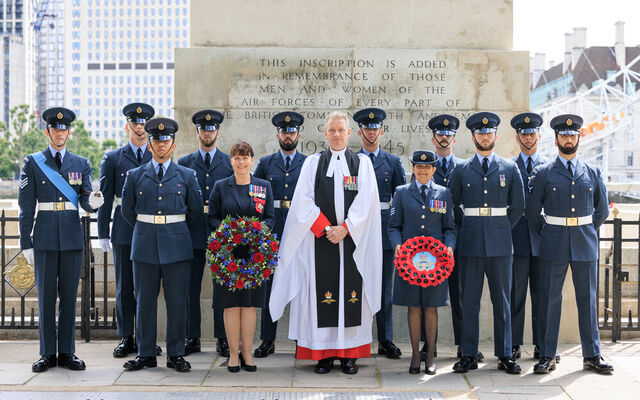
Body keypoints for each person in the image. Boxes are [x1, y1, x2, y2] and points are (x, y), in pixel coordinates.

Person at [269, 111, 382, 375]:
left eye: (341, 130)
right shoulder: (313, 163)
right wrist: (326, 228)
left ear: (349, 133)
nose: (337, 134)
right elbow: (303, 201)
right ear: (325, 133)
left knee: (352, 296)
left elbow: (367, 203)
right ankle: (323, 355)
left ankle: (349, 356)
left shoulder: (362, 164)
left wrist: (345, 229)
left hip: (352, 243)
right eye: (332, 130)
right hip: (320, 241)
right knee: (320, 294)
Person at [19, 107, 104, 372]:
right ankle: (46, 353)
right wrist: (25, 242)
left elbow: (85, 199)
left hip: (70, 237)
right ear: (48, 131)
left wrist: (93, 202)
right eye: (55, 128)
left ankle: (67, 352)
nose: (59, 132)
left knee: (69, 298)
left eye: (63, 128)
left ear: (69, 132)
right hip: (44, 237)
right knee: (46, 298)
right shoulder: (33, 162)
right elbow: (25, 207)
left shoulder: (81, 163)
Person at [526, 114, 613, 375]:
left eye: (572, 135)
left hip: (585, 242)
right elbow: (532, 213)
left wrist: (584, 228)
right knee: (550, 300)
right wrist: (553, 230)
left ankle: (592, 355)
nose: (568, 139)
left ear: (579, 138)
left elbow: (602, 211)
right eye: (564, 135)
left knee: (587, 300)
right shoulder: (543, 173)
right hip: (553, 241)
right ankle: (548, 355)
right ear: (556, 140)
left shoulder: (593, 172)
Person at [121, 118, 203, 372]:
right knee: (144, 301)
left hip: (177, 245)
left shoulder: (187, 175)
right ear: (149, 144)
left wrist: (174, 231)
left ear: (173, 145)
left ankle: (176, 353)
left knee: (178, 301)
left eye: (165, 140)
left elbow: (196, 213)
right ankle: (146, 353)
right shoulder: (134, 176)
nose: (160, 145)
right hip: (145, 244)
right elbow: (127, 211)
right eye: (156, 140)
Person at [448, 112, 524, 374]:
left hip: (501, 243)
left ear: (495, 135)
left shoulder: (509, 168)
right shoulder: (461, 170)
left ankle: (504, 354)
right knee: (469, 301)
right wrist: (468, 227)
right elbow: (452, 207)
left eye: (488, 132)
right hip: (470, 243)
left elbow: (518, 207)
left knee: (502, 300)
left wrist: (500, 227)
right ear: (472, 137)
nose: (484, 136)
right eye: (480, 133)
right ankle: (468, 354)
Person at [98, 102, 159, 358]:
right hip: (123, 227)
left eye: (143, 123)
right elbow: (105, 196)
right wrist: (102, 232)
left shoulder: (158, 154)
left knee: (147, 286)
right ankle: (126, 337)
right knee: (124, 285)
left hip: (149, 227)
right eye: (135, 123)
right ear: (127, 126)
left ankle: (146, 339)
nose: (140, 127)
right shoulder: (113, 158)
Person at [208, 142, 275, 372]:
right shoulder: (220, 186)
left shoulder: (263, 186)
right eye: (237, 158)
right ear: (231, 161)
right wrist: (232, 231)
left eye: (245, 158)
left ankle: (248, 352)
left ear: (252, 160)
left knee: (248, 305)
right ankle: (233, 354)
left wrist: (254, 231)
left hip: (254, 254)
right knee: (230, 305)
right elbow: (213, 218)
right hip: (228, 253)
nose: (241, 162)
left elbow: (270, 218)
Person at [388, 150, 456, 375]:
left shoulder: (444, 193)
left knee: (431, 308)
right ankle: (415, 355)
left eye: (427, 167)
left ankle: (430, 357)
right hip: (408, 262)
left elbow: (449, 228)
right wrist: (398, 245)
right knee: (413, 307)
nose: (423, 170)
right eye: (419, 167)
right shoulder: (401, 193)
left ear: (434, 169)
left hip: (435, 264)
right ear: (414, 169)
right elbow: (394, 226)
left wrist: (449, 247)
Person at [425, 114, 483, 361]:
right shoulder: (424, 168)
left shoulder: (465, 168)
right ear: (434, 138)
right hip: (431, 242)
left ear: (455, 139)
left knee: (462, 295)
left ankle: (464, 346)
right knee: (430, 297)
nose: (444, 138)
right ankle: (429, 346)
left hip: (459, 241)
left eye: (448, 135)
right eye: (440, 135)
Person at [178, 109, 233, 357]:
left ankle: (222, 337)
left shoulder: (228, 162)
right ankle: (193, 336)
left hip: (220, 233)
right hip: (192, 232)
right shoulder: (185, 163)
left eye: (212, 129)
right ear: (197, 131)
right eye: (204, 129)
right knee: (190, 289)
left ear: (217, 132)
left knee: (222, 289)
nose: (208, 133)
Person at [252, 111, 307, 358]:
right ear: (278, 135)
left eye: (292, 132)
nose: (288, 136)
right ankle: (267, 339)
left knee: (300, 287)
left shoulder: (308, 163)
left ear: (299, 134)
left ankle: (301, 340)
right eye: (284, 133)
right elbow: (257, 199)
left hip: (298, 231)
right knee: (269, 287)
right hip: (272, 231)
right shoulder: (265, 163)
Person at [354, 107, 405, 359]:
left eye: (375, 128)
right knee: (357, 288)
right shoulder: (352, 161)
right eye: (367, 128)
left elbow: (400, 201)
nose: (371, 132)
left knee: (385, 289)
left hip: (384, 234)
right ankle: (356, 338)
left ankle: (385, 339)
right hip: (358, 234)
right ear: (360, 131)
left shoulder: (393, 163)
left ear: (381, 131)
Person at [508, 112, 550, 361]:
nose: (528, 137)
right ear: (517, 137)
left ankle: (542, 345)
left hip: (544, 240)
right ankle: (513, 344)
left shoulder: (549, 166)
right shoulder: (510, 167)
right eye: (524, 133)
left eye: (532, 133)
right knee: (516, 296)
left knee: (542, 297)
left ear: (539, 136)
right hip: (518, 240)